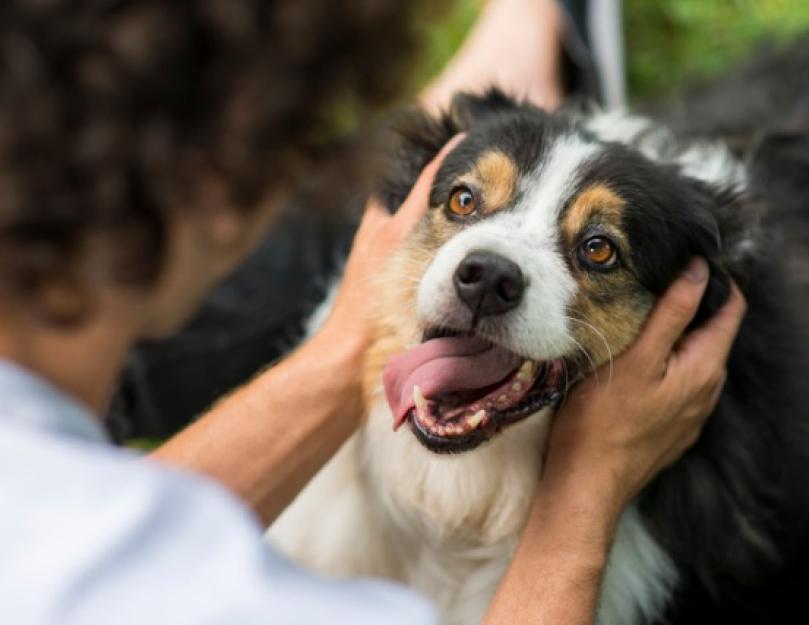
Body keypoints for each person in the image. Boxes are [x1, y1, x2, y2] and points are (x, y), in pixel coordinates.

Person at [0, 1, 746, 624]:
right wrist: (586, 494)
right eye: (292, 151)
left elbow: (116, 533)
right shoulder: (246, 602)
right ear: (218, 192)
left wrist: (351, 342)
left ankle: (522, 48)